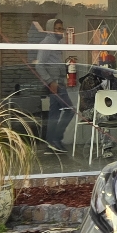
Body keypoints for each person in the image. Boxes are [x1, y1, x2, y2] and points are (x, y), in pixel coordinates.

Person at [34, 18, 72, 153]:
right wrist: (51, 81)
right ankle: (56, 138)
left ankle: (51, 142)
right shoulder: (47, 42)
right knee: (69, 109)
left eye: (61, 29)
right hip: (55, 84)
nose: (60, 31)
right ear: (50, 29)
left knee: (54, 114)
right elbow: (39, 66)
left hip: (58, 82)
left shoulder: (56, 42)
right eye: (57, 29)